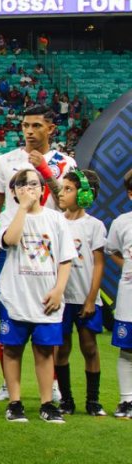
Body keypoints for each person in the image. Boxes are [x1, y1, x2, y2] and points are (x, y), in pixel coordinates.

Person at [0, 105, 77, 402]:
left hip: (49, 251)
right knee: (8, 314)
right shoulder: (6, 161)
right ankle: (6, 384)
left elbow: (66, 206)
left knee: (51, 313)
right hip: (12, 247)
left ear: (51, 128)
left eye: (36, 126)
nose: (29, 131)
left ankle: (51, 385)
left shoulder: (65, 163)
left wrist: (46, 172)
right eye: (25, 125)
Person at [0, 168, 74, 423]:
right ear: (14, 192)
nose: (27, 189)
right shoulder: (9, 215)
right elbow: (11, 239)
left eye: (32, 184)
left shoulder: (56, 218)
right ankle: (15, 402)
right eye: (21, 185)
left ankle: (47, 403)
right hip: (15, 295)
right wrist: (22, 209)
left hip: (46, 297)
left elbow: (65, 259)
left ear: (43, 189)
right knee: (12, 350)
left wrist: (59, 289)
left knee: (44, 351)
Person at [56, 169, 107, 416]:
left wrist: (90, 298)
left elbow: (98, 263)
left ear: (85, 195)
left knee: (89, 347)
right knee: (62, 348)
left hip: (85, 299)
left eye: (68, 189)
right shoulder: (55, 222)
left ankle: (93, 401)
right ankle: (66, 400)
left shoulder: (94, 226)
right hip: (61, 300)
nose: (61, 193)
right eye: (62, 188)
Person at [106, 170, 132, 418]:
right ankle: (127, 401)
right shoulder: (122, 222)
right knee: (127, 351)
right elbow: (111, 249)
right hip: (129, 298)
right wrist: (127, 266)